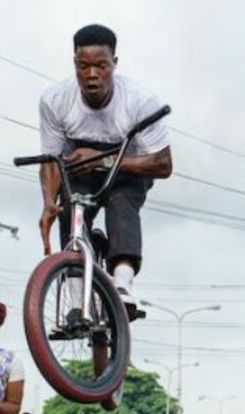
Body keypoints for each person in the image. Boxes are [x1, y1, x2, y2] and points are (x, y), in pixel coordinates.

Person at [36, 23, 173, 318]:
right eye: (83, 66)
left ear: (115, 64)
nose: (92, 74)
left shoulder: (140, 101)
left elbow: (163, 164)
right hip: (80, 169)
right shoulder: (55, 100)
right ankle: (74, 301)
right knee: (71, 206)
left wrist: (103, 160)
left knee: (120, 202)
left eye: (101, 65)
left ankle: (122, 283)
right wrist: (48, 202)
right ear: (75, 64)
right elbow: (51, 160)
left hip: (129, 168)